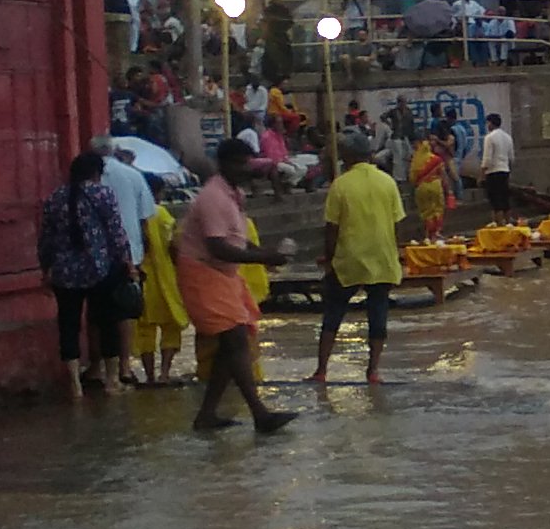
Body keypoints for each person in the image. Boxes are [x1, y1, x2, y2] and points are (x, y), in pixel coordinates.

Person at [175, 138, 295, 434]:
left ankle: (207, 415)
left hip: (222, 275)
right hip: (204, 272)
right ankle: (260, 415)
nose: (245, 169)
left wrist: (262, 253)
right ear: (224, 164)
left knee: (230, 347)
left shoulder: (233, 194)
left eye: (247, 162)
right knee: (236, 340)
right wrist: (261, 257)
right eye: (240, 163)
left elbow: (235, 238)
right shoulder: (212, 198)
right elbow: (218, 247)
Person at [313, 130, 411, 386]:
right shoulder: (387, 182)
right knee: (378, 314)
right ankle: (373, 371)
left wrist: (329, 259)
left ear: (347, 156)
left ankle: (322, 371)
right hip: (382, 259)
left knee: (333, 313)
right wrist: (397, 254)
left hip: (349, 261)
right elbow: (397, 223)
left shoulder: (341, 185)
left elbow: (331, 229)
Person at [37, 150, 134, 397]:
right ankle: (112, 381)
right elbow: (116, 232)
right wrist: (127, 261)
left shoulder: (54, 198)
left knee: (68, 325)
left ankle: (75, 386)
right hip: (99, 268)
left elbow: (45, 239)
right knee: (107, 321)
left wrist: (45, 268)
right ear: (96, 173)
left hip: (64, 272)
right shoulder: (103, 194)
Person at [91, 137, 158, 388]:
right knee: (125, 311)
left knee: (96, 313)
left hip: (94, 256)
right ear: (115, 151)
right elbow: (145, 218)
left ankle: (97, 367)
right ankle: (124, 367)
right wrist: (144, 249)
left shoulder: (85, 181)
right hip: (129, 253)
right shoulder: (132, 175)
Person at [132, 192, 187, 386]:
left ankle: (149, 376)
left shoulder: (131, 215)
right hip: (165, 280)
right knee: (171, 326)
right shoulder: (161, 213)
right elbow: (175, 246)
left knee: (144, 329)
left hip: (141, 280)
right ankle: (164, 373)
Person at [409, 121, 455, 239]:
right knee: (437, 210)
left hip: (421, 188)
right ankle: (437, 233)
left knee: (426, 212)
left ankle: (428, 235)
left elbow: (412, 178)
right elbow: (443, 175)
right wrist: (449, 191)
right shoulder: (436, 159)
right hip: (435, 185)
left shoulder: (415, 160)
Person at [478, 110, 518, 223]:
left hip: (493, 171)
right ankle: (508, 222)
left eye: (488, 123)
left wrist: (481, 175)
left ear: (491, 123)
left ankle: (499, 223)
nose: (487, 126)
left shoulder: (489, 138)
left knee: (495, 200)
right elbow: (511, 157)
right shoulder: (508, 137)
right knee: (505, 198)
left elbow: (487, 159)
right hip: (505, 170)